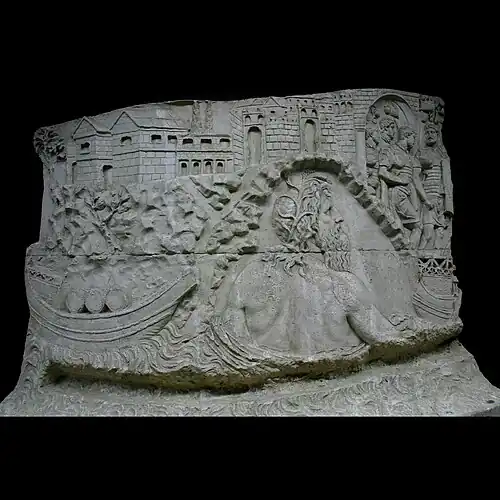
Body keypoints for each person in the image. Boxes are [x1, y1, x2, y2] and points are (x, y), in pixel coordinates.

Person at [378, 125, 432, 248]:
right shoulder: (392, 151)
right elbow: (382, 172)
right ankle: (409, 252)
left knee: (405, 228)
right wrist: (400, 180)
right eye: (413, 138)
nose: (414, 142)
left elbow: (415, 179)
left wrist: (425, 200)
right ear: (406, 136)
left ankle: (407, 250)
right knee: (417, 225)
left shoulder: (407, 155)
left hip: (405, 194)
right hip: (397, 194)